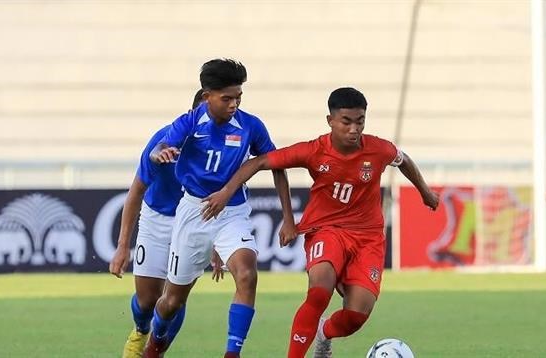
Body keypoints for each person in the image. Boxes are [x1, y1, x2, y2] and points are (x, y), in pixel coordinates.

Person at [202, 87, 439, 358]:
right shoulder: (314, 151)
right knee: (319, 291)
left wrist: (425, 192)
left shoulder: (378, 149)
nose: (354, 129)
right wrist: (227, 193)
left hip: (368, 237)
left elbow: (403, 160)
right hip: (327, 230)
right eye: (346, 122)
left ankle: (324, 333)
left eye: (360, 121)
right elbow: (260, 162)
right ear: (331, 121)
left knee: (356, 315)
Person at [143, 58, 296, 358]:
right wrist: (161, 154)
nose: (234, 104)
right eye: (226, 98)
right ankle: (154, 344)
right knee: (171, 301)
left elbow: (276, 165)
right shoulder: (188, 122)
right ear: (206, 97)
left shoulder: (251, 126)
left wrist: (288, 219)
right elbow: (157, 149)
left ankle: (232, 354)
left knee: (247, 274)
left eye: (238, 97)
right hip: (193, 212)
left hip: (232, 213)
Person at [109, 89, 221, 358]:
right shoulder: (163, 141)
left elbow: (223, 196)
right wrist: (123, 247)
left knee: (175, 296)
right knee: (148, 300)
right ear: (193, 114)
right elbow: (136, 191)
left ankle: (156, 348)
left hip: (194, 221)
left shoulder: (223, 147)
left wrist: (216, 242)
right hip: (157, 218)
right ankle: (140, 329)